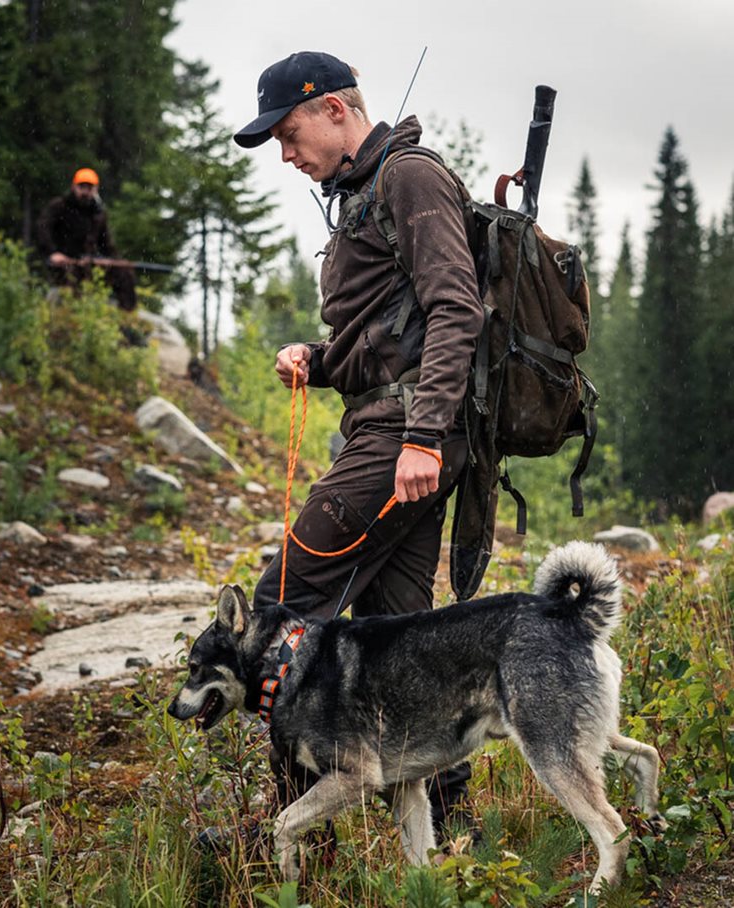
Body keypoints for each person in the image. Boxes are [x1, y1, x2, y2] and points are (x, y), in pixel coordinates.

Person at [233, 52, 485, 843]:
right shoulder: (362, 195)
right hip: (396, 432)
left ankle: (292, 828)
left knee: (279, 609)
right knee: (401, 642)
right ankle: (445, 831)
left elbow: (456, 310)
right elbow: (384, 337)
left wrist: (421, 437)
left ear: (336, 109)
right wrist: (318, 353)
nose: (284, 152)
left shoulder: (407, 177)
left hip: (400, 440)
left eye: (288, 131)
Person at [36, 167, 136, 311]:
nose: (85, 191)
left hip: (88, 262)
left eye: (89, 187)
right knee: (72, 279)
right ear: (74, 187)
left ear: (95, 189)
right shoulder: (59, 206)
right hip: (62, 263)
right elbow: (42, 229)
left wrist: (112, 260)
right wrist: (53, 253)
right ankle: (70, 316)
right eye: (82, 186)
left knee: (124, 272)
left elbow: (106, 243)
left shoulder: (98, 214)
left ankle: (126, 317)